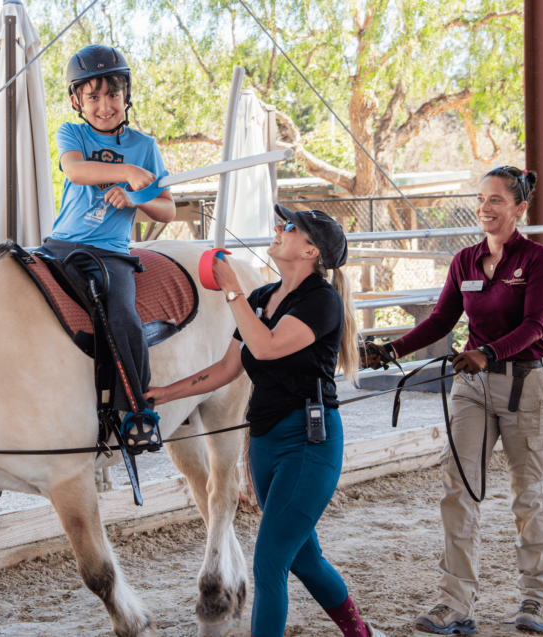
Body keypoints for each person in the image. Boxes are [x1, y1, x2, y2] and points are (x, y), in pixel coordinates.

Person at [148, 206, 386, 637]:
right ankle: (360, 633)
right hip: (265, 441)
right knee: (302, 556)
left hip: (309, 443)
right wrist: (167, 393)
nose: (278, 228)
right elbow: (225, 368)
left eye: (290, 227)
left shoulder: (321, 301)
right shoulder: (262, 298)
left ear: (310, 251)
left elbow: (269, 346)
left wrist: (233, 292)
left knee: (270, 559)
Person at [362, 167, 543, 635]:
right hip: (471, 385)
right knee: (459, 489)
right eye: (481, 199)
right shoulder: (465, 261)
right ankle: (456, 604)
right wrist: (391, 350)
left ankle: (536, 597)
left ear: (519, 209)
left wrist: (487, 351)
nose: (485, 208)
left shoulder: (537, 259)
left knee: (528, 495)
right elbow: (439, 321)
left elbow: (536, 325)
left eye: (496, 200)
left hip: (524, 384)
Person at [35, 43, 175, 452]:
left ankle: (136, 410)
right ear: (77, 100)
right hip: (61, 245)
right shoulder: (72, 132)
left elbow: (165, 210)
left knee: (123, 317)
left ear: (126, 96)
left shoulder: (145, 145)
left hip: (110, 253)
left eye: (112, 94)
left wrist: (135, 198)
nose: (104, 105)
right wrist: (128, 173)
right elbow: (76, 170)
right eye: (92, 96)